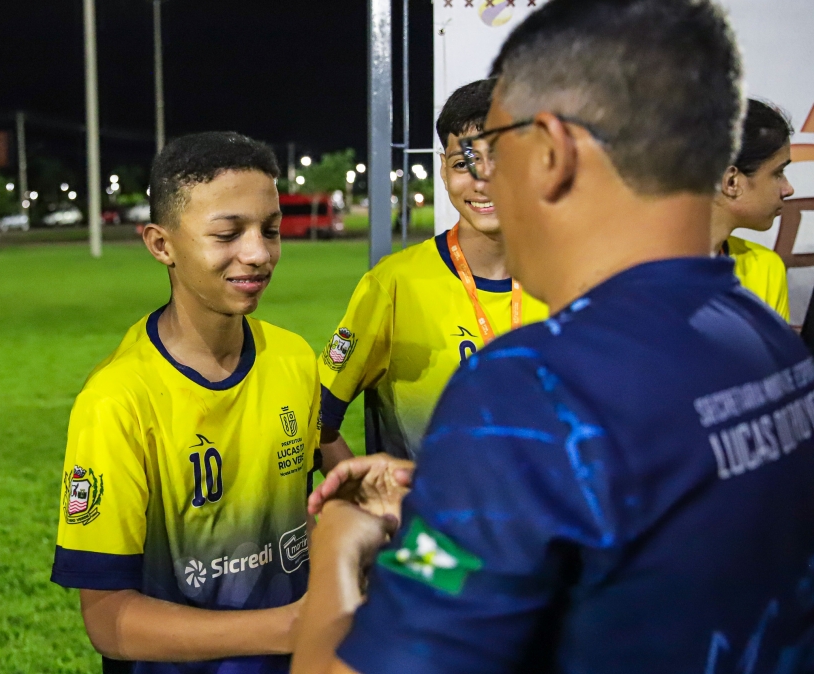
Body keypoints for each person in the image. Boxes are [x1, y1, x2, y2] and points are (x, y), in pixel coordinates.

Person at [293, 1, 814, 672]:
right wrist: (460, 495)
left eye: (498, 152)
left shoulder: (529, 391)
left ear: (553, 152)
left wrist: (339, 540)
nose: (487, 182)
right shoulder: (759, 330)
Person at [50, 132, 320, 673]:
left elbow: (302, 516)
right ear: (161, 244)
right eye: (227, 234)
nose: (258, 254)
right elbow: (108, 621)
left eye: (270, 230)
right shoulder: (116, 399)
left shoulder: (293, 358)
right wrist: (289, 627)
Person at [318, 78, 548, 466]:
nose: (483, 181)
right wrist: (369, 496)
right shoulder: (395, 285)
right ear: (443, 170)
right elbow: (315, 421)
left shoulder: (579, 284)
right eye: (464, 163)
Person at [711, 98, 795, 321]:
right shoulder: (629, 271)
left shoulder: (766, 268)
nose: (788, 189)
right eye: (778, 173)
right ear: (731, 182)